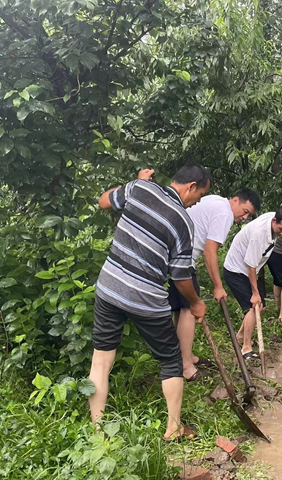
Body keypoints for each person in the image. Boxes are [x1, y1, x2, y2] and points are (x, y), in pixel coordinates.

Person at [88, 165, 211, 442]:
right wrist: (195, 302)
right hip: (146, 299)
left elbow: (103, 201)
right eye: (199, 195)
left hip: (109, 288)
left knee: (101, 359)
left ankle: (97, 432)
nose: (197, 202)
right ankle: (174, 428)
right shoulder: (183, 222)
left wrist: (134, 182)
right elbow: (180, 276)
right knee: (170, 359)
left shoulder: (140, 188)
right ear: (190, 186)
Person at [168, 188, 261, 381]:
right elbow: (210, 252)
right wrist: (218, 286)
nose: (244, 217)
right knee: (188, 310)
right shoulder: (225, 213)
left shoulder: (215, 201)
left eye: (248, 215)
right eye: (244, 211)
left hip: (172, 254)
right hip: (182, 258)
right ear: (235, 200)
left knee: (179, 310)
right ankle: (185, 366)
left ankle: (185, 356)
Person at [223, 209, 282, 361]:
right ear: (275, 221)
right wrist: (255, 293)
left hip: (247, 270)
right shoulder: (259, 235)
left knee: (260, 306)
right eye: (281, 229)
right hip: (236, 271)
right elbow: (250, 266)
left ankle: (241, 336)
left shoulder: (274, 221)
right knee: (253, 307)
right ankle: (246, 348)